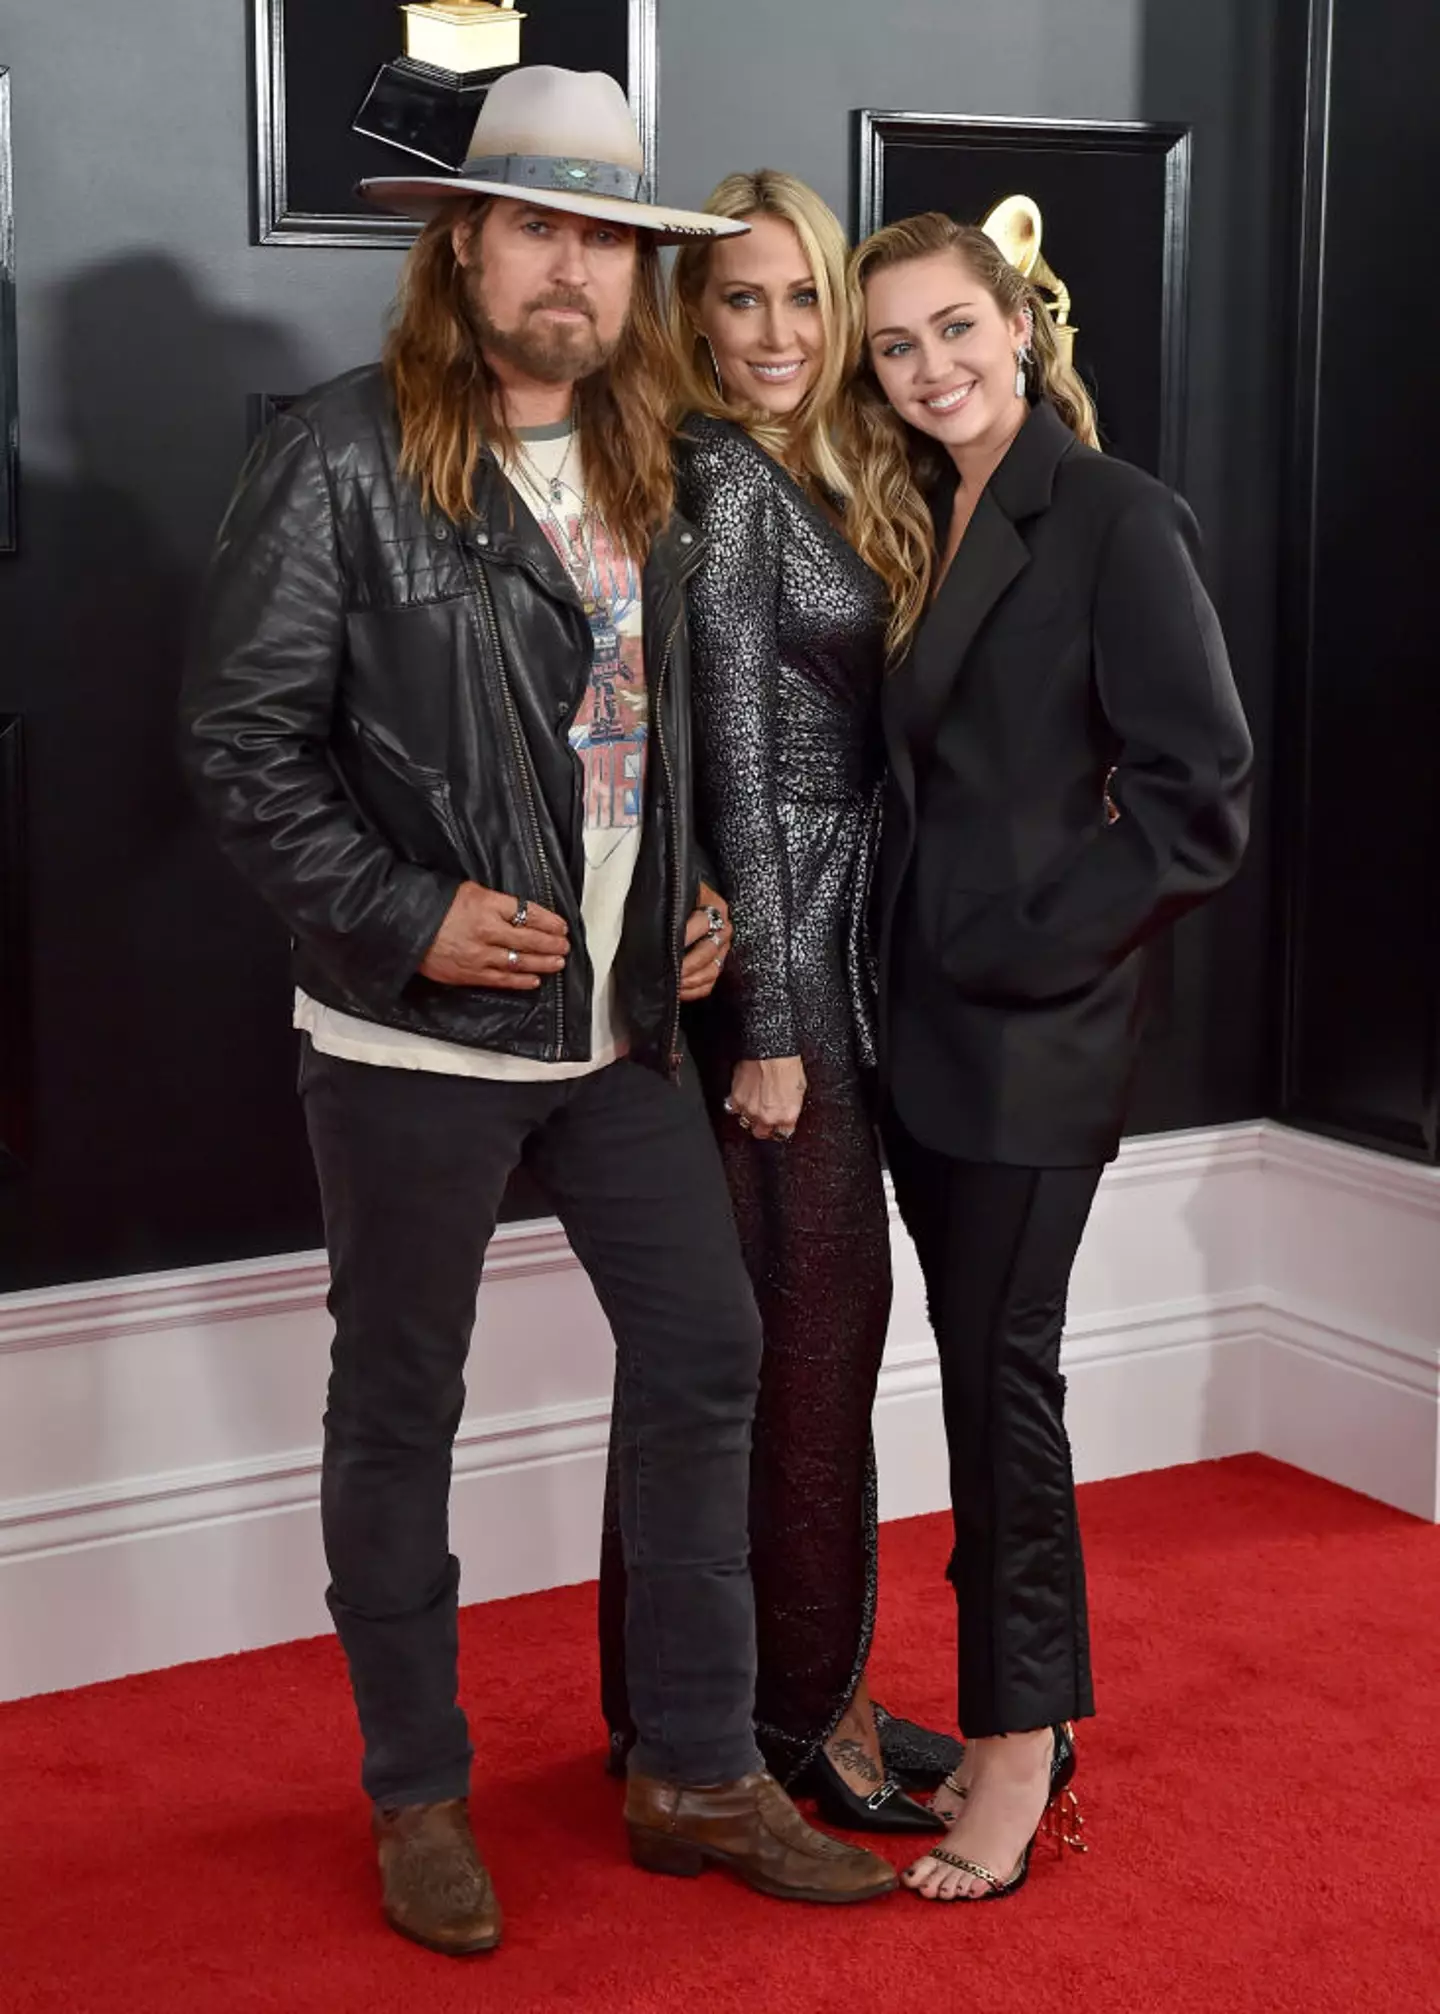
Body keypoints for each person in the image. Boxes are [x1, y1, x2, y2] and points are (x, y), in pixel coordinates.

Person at [180, 67, 898, 1958]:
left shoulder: (659, 462)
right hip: (415, 1043)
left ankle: (689, 1767)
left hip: (621, 1040)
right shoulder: (343, 455)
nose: (570, 270)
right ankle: (417, 1793)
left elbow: (641, 750)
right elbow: (242, 747)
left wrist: (687, 908)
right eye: (536, 230)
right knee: (401, 1404)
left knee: (707, 1355)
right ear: (464, 246)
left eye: (605, 239)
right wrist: (408, 917)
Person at [853, 212, 1252, 1902]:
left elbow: (1198, 801)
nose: (931, 367)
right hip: (913, 1031)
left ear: (1021, 324)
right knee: (968, 1364)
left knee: (1003, 1382)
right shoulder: (909, 509)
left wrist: (1014, 945)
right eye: (896, 345)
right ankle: (1005, 1706)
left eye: (956, 329)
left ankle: (1021, 1736)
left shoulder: (1112, 515)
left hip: (1033, 1038)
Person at [597, 170, 959, 1832]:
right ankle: (799, 1724)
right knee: (805, 1358)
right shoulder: (722, 478)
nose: (777, 336)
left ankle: (703, 1701)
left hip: (827, 957)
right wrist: (775, 1035)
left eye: (804, 299)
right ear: (691, 316)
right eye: (739, 300)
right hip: (787, 987)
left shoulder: (817, 466)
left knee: (743, 1360)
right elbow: (733, 762)